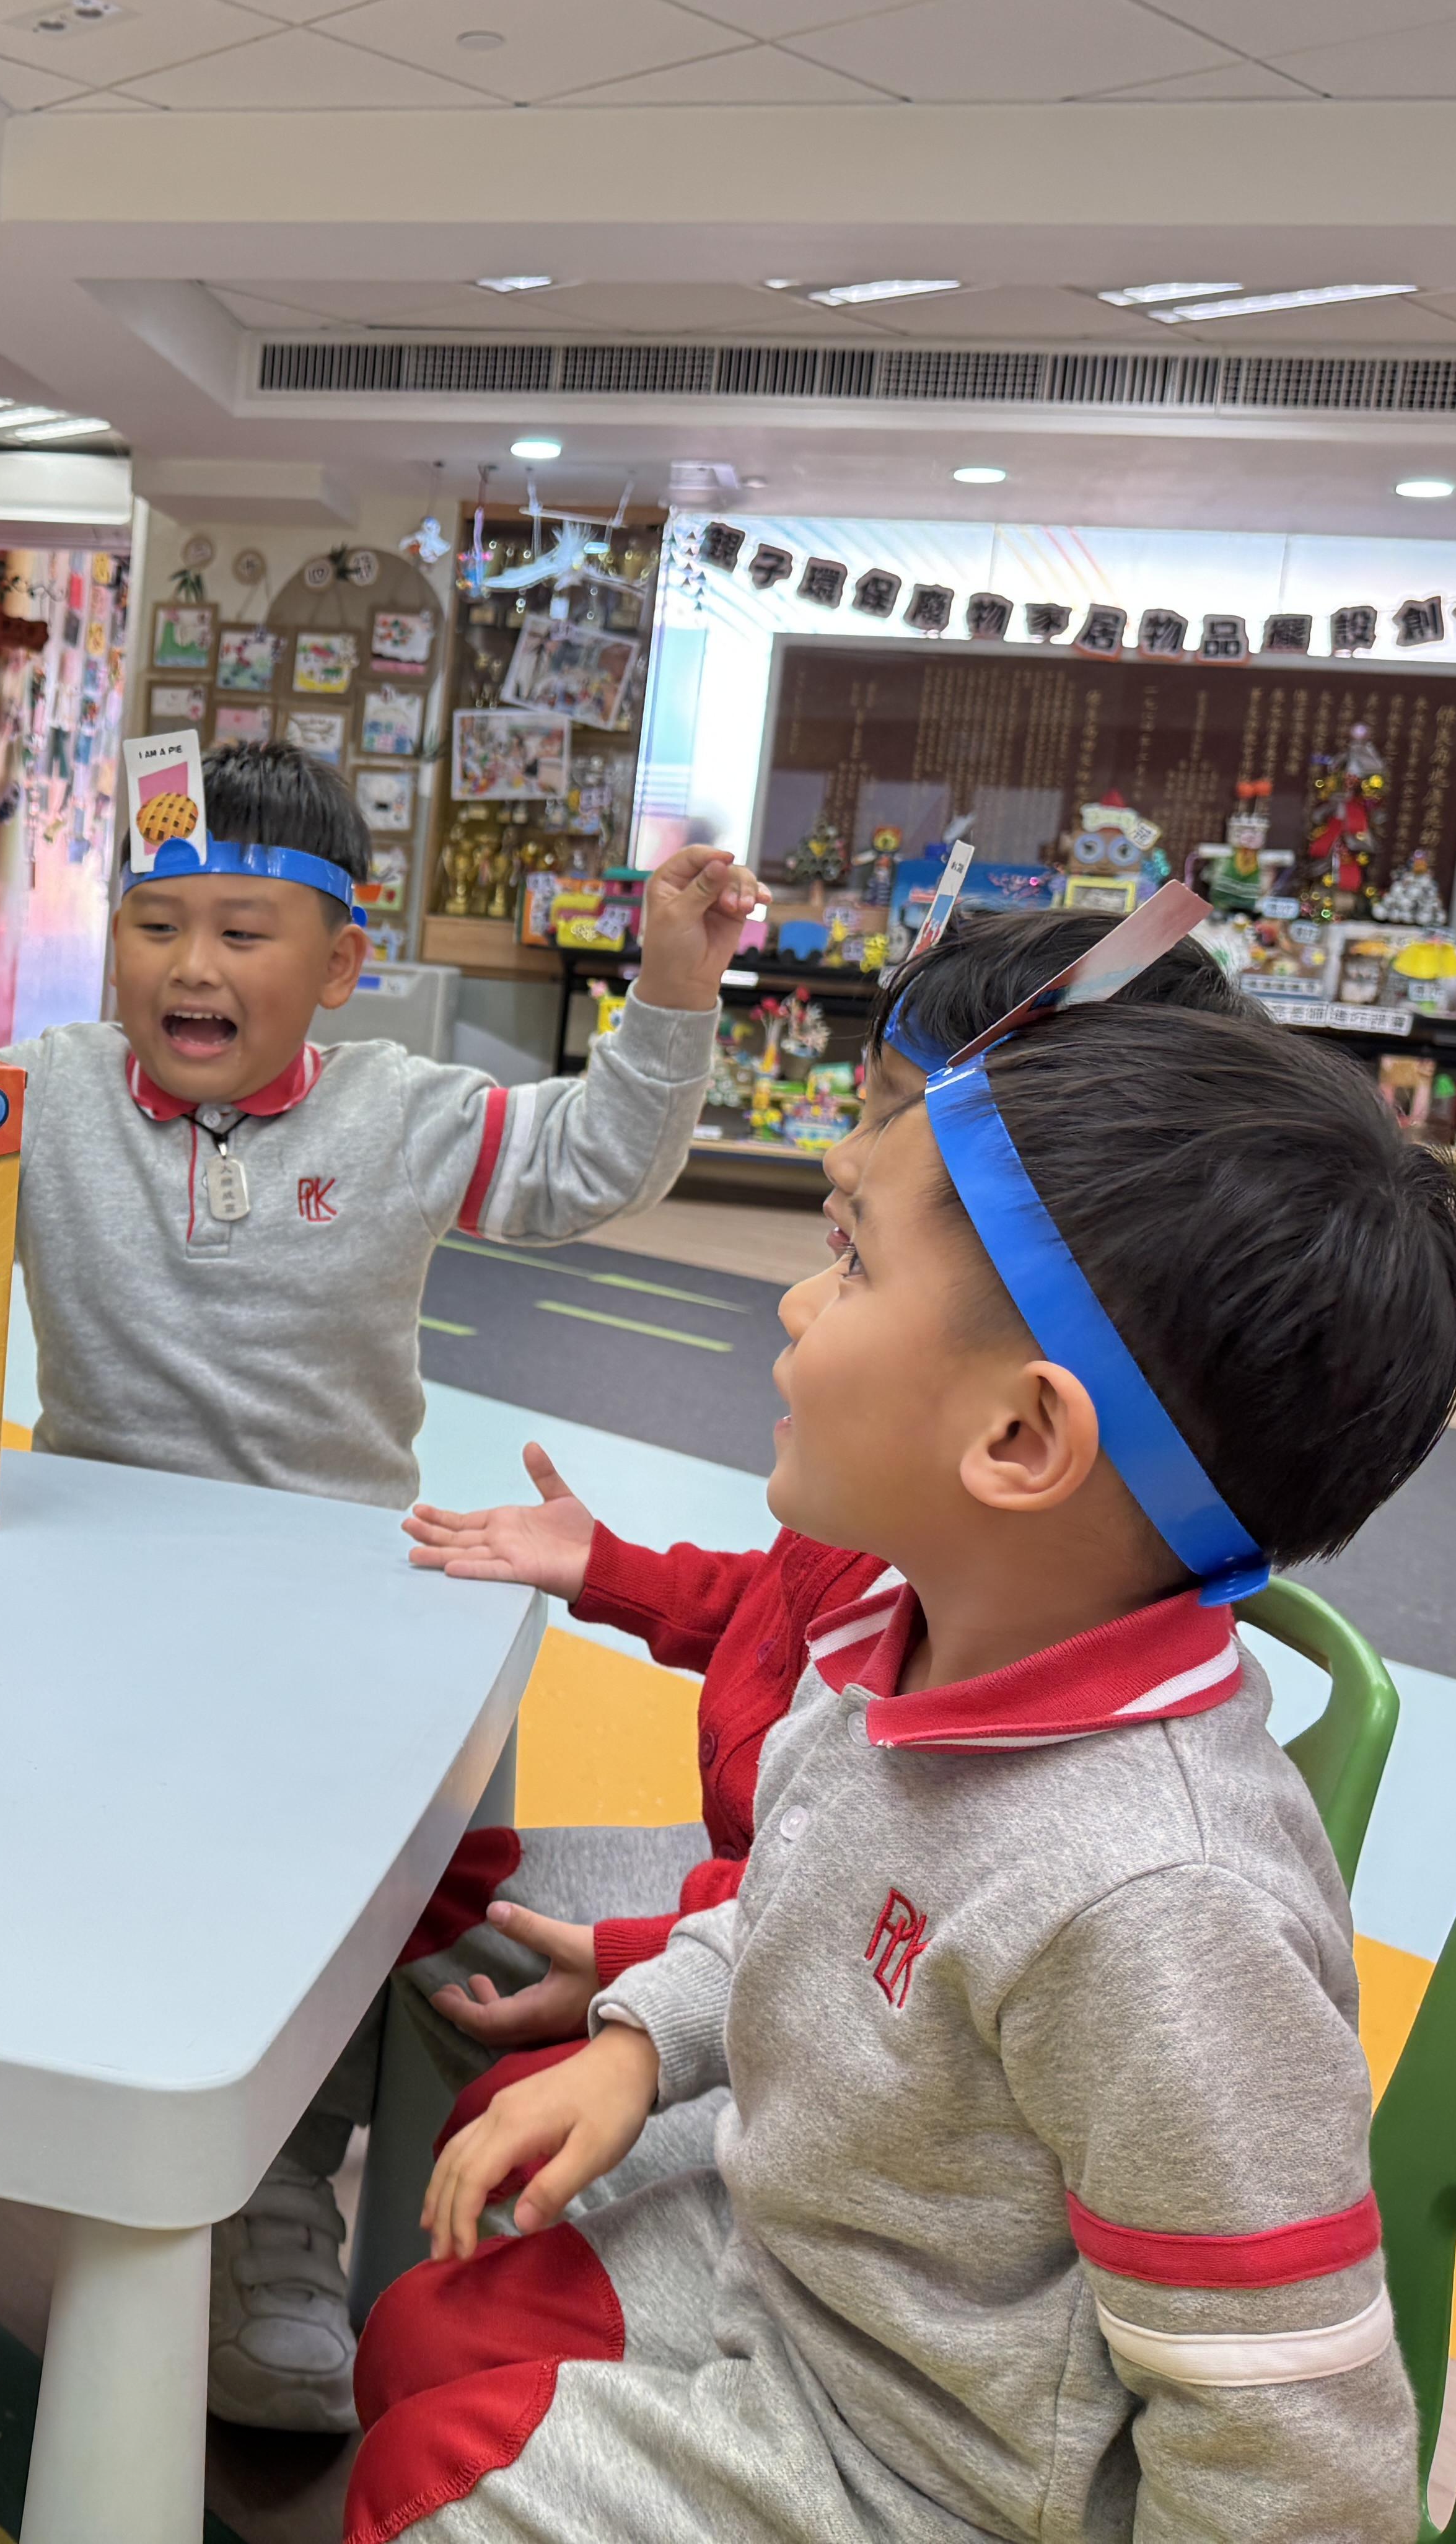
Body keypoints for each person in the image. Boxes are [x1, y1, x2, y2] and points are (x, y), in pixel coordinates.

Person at [0, 740, 759, 2424]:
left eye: (244, 932)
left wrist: (671, 991)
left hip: (331, 1600)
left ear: (343, 960)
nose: (192, 966)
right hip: (82, 1568)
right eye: (157, 925)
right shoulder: (53, 1086)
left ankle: (279, 2192)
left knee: (346, 1883)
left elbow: (588, 1159)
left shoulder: (405, 1110)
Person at [346, 991, 1456, 2544]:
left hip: (940, 2474)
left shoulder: (1161, 1903)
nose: (800, 1303)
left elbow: (1297, 2462)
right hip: (815, 2305)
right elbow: (791, 1905)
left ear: (1019, 1441)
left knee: (427, 2483)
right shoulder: (912, 1644)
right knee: (425, 2335)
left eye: (856, 1267)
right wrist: (644, 2039)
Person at [389, 907, 1261, 2198]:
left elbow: (864, 1900)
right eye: (865, 1103)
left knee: (430, 1946)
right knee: (426, 1900)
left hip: (782, 1972)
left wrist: (645, 1974)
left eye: (899, 1115)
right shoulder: (930, 1535)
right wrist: (604, 1566)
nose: (845, 1161)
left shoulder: (1007, 1629)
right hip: (751, 1908)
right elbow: (789, 1623)